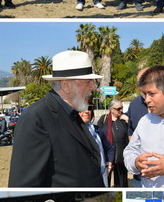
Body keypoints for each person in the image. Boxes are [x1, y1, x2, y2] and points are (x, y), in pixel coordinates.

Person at [9, 51, 105, 187]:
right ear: (66, 85)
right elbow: (24, 185)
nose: (93, 87)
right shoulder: (35, 118)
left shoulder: (72, 114)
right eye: (87, 82)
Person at [79, 106, 115, 187]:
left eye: (89, 108)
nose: (87, 111)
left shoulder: (97, 130)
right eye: (81, 108)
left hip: (100, 178)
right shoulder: (70, 133)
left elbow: (110, 149)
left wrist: (108, 167)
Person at [97, 99, 129, 187]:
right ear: (111, 109)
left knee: (121, 183)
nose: (121, 110)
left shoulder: (123, 120)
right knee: (105, 180)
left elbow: (129, 136)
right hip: (107, 156)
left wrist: (127, 120)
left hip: (120, 157)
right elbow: (98, 135)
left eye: (121, 108)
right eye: (118, 108)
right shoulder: (104, 119)